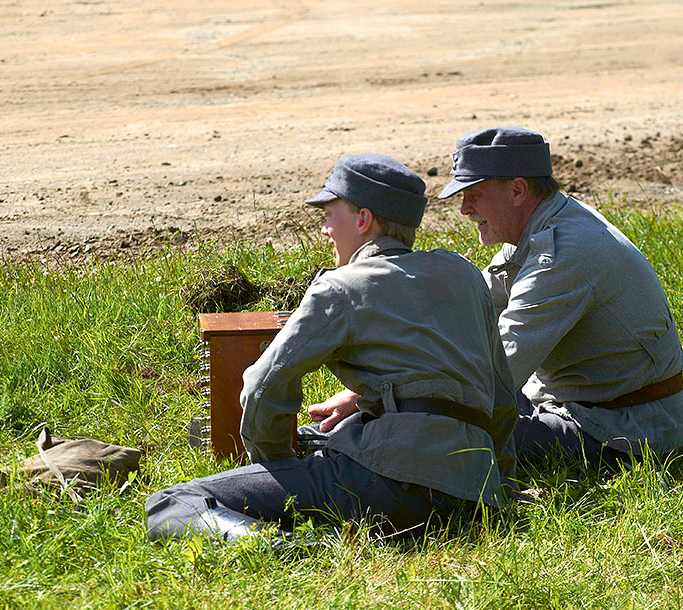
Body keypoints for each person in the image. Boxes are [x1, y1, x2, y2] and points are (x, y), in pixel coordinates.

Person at [145, 153, 517, 542]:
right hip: (474, 492)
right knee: (324, 435)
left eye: (329, 212)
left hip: (390, 486)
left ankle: (277, 546)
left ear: (363, 220)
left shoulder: (340, 287)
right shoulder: (464, 274)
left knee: (175, 502)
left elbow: (264, 384)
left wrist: (277, 467)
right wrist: (494, 483)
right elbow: (502, 395)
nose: (324, 228)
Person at [435, 126, 683, 468]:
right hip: (579, 405)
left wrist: (383, 396)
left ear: (517, 190)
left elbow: (493, 376)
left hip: (623, 430)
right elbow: (468, 313)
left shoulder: (564, 254)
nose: (464, 208)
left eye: (475, 194)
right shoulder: (542, 224)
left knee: (445, 441)